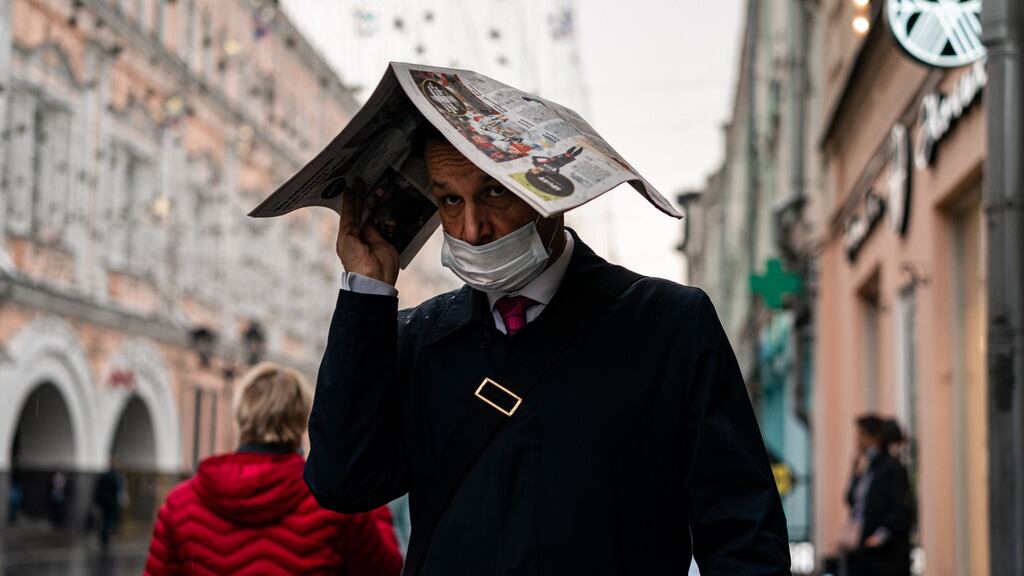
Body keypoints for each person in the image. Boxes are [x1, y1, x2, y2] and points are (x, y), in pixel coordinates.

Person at [304, 127, 790, 575]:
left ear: (555, 191)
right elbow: (343, 482)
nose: (473, 229)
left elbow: (741, 532)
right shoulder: (422, 338)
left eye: (494, 191)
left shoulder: (668, 325)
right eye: (450, 200)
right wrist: (365, 294)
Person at [144, 362, 402, 576]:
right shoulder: (333, 501)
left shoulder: (180, 505)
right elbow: (387, 569)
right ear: (302, 418)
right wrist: (368, 498)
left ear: (241, 416)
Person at [839, 414, 912, 576]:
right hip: (864, 551)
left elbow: (900, 508)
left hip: (884, 556)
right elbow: (851, 499)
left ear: (874, 438)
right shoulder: (868, 468)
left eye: (860, 435)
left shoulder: (891, 468)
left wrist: (880, 536)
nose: (857, 441)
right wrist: (855, 470)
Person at [93, 462, 124, 550]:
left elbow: (97, 489)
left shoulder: (103, 476)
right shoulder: (116, 477)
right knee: (109, 519)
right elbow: (117, 491)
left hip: (103, 502)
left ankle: (103, 534)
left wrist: (97, 501)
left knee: (104, 518)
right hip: (111, 503)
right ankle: (105, 535)